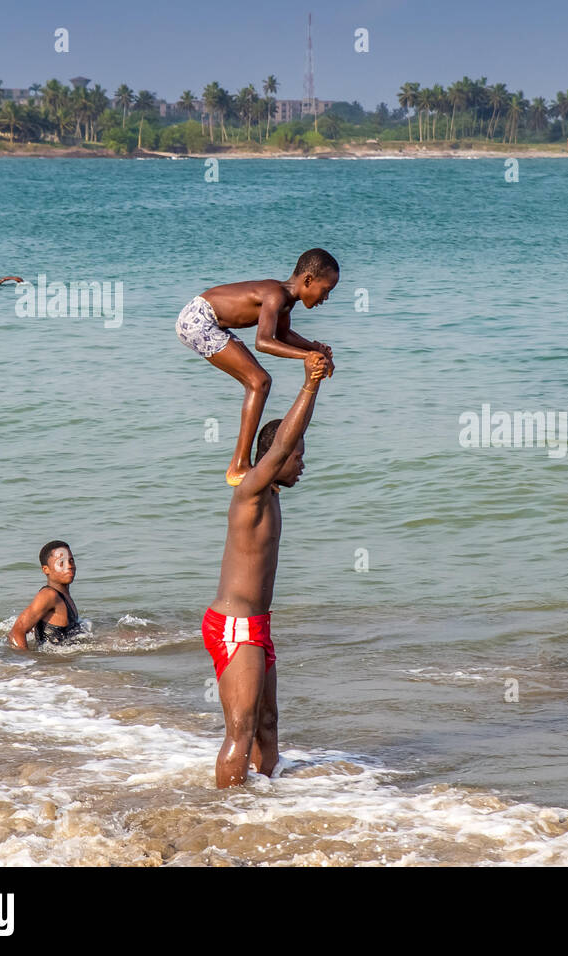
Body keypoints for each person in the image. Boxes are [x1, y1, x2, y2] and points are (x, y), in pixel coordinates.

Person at [204, 351, 329, 788]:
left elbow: (284, 447)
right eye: (298, 457)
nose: (303, 464)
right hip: (234, 626)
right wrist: (311, 384)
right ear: (276, 459)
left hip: (257, 625)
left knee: (268, 724)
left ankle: (267, 806)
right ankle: (225, 817)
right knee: (240, 730)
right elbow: (280, 445)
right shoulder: (253, 490)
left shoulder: (270, 493)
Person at [176, 248, 338, 486]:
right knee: (259, 381)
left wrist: (315, 348)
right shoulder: (276, 295)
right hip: (198, 320)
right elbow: (263, 342)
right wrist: (308, 356)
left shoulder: (285, 301)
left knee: (260, 381)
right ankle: (239, 465)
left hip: (209, 322)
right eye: (326, 290)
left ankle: (241, 463)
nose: (326, 298)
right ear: (308, 280)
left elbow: (282, 335)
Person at [8, 541, 85, 649]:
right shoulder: (49, 595)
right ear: (46, 569)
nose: (69, 566)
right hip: (52, 664)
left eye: (71, 560)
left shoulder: (64, 595)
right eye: (61, 563)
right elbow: (16, 632)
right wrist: (27, 662)